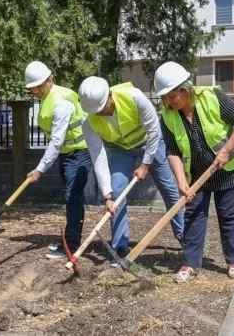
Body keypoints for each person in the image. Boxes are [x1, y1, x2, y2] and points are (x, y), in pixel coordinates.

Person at [153, 61, 234, 284]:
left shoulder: (211, 98)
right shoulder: (168, 115)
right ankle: (189, 264)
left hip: (228, 169)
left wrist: (227, 150)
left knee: (229, 216)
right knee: (194, 216)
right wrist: (180, 182)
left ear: (184, 88)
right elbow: (172, 150)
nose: (169, 101)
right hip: (196, 175)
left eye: (172, 95)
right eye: (165, 97)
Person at [78, 76, 184, 264]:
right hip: (119, 149)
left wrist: (145, 164)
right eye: (96, 111)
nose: (100, 113)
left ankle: (185, 237)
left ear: (110, 95)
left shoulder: (134, 97)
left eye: (102, 107)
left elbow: (153, 131)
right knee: (117, 191)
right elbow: (98, 156)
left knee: (169, 189)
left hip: (150, 143)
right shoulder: (88, 121)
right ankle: (120, 248)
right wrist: (107, 195)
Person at [23, 61, 92, 259]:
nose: (34, 90)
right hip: (67, 154)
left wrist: (39, 169)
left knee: (73, 197)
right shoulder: (47, 97)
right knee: (71, 196)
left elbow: (56, 140)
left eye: (37, 85)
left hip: (79, 153)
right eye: (32, 87)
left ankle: (71, 244)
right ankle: (70, 239)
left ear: (49, 80)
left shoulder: (61, 101)